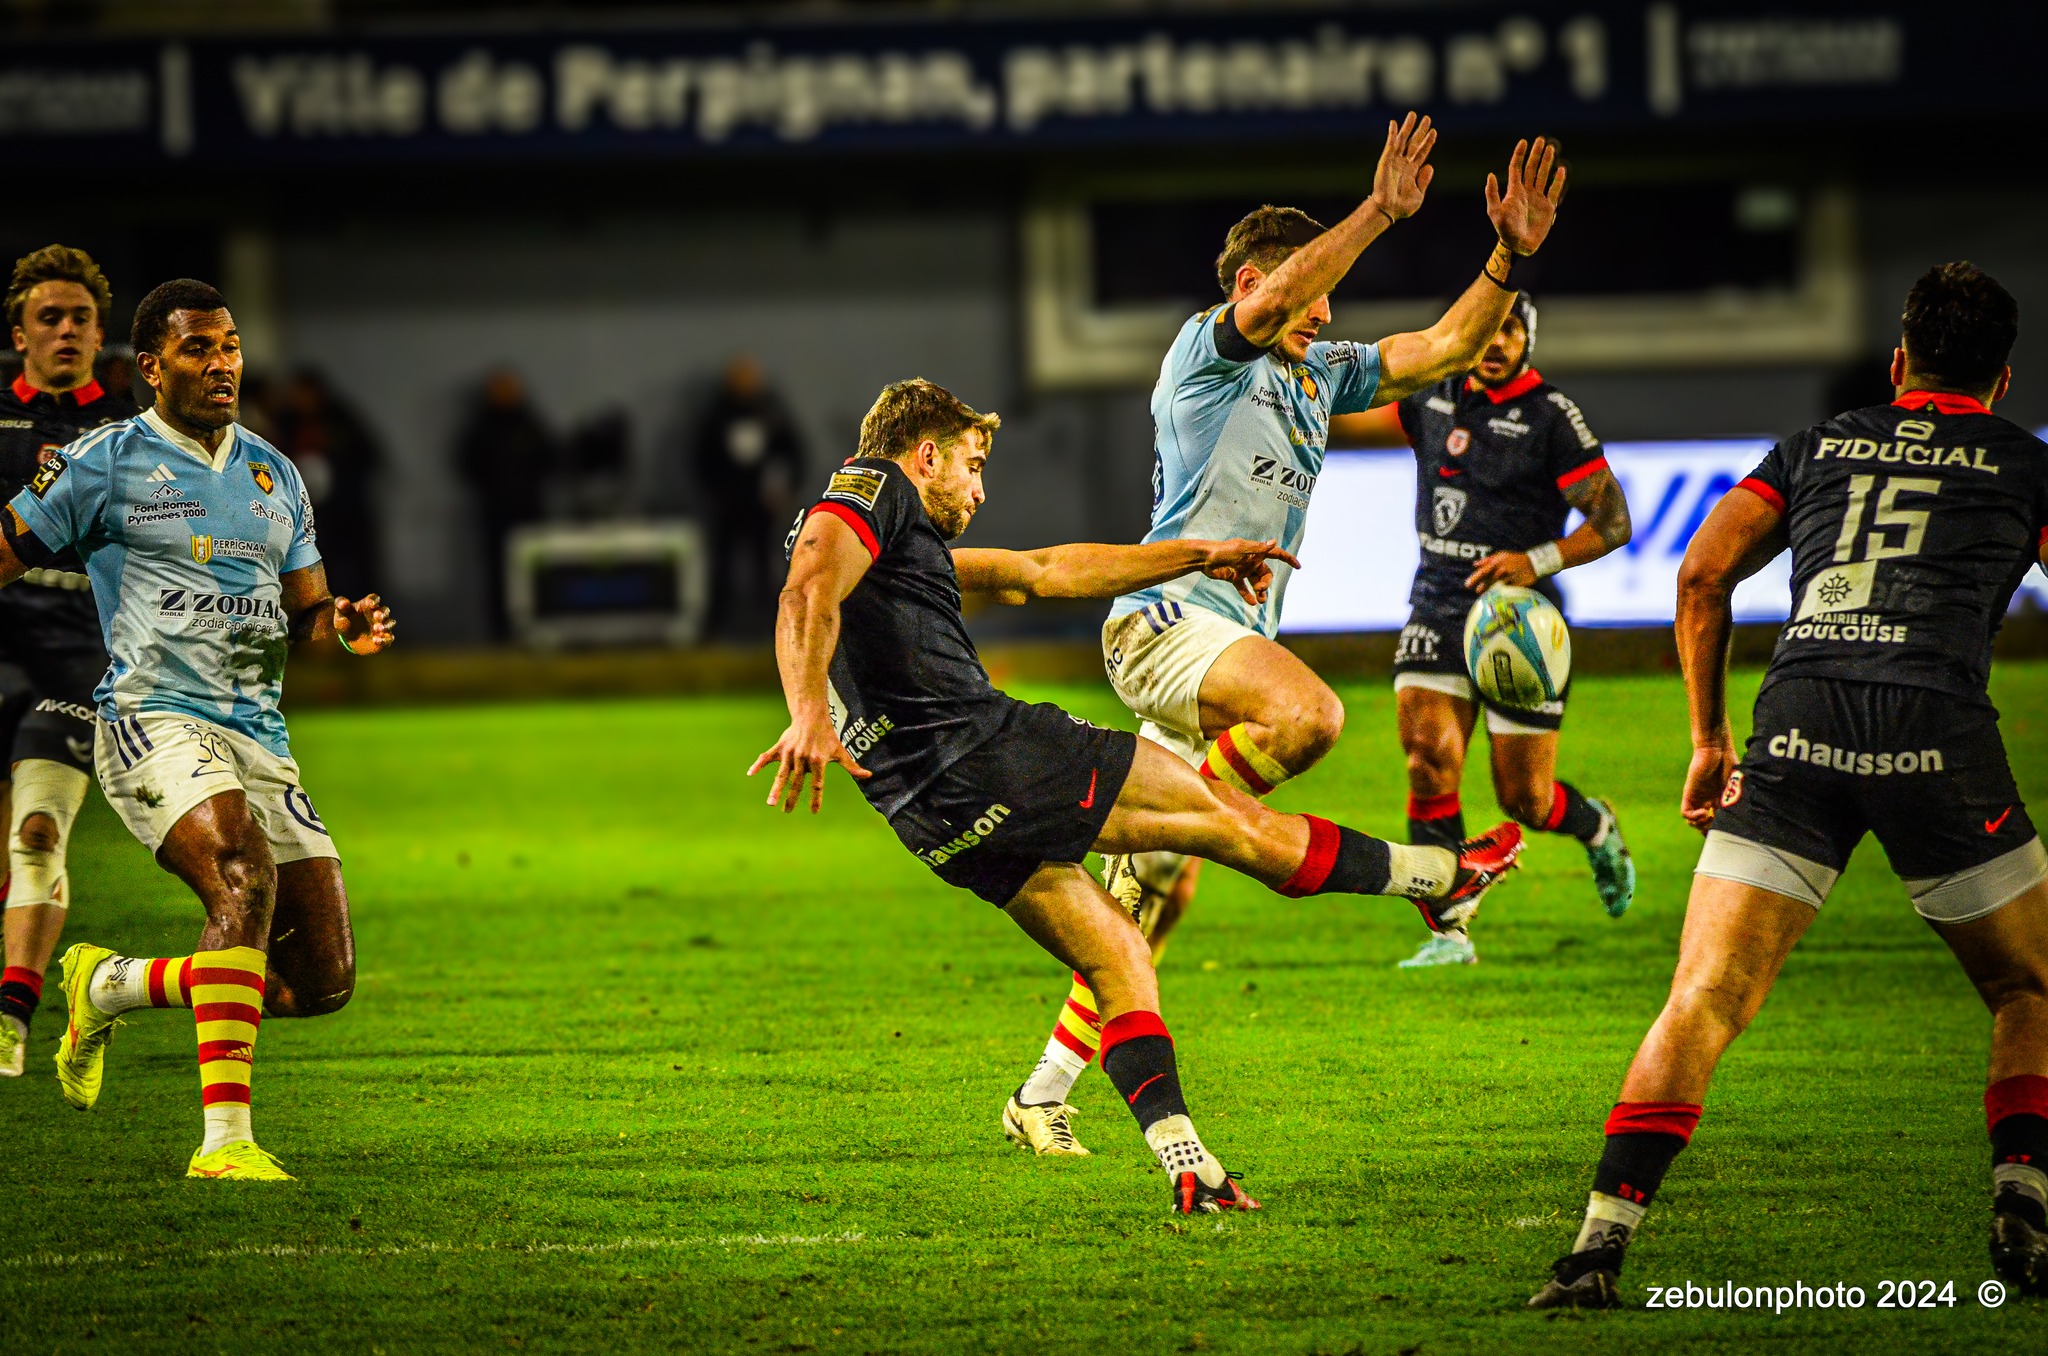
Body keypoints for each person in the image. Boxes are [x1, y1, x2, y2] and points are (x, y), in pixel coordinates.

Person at [753, 378, 1525, 1212]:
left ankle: (1188, 1165)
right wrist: (806, 714)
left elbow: (1041, 571)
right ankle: (1439, 878)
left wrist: (1196, 555)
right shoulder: (872, 487)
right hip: (993, 754)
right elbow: (805, 593)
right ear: (926, 455)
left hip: (930, 817)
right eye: (973, 466)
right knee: (1229, 822)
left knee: (1119, 955)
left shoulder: (888, 545)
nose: (979, 490)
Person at [1005, 117, 1569, 1154]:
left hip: (1216, 646)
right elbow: (1274, 304)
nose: (1325, 311)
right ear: (1251, 286)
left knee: (1153, 902)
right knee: (1307, 713)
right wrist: (1380, 212)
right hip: (1166, 621)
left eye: (1329, 296)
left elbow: (1444, 347)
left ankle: (1041, 1093)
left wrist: (1505, 256)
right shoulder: (1205, 354)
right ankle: (1207, 827)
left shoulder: (1320, 374)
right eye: (1310, 293)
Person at [1529, 263, 2048, 1307]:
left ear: (1898, 363)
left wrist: (1708, 739)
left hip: (1798, 722)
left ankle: (1595, 1250)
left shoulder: (1815, 446)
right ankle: (2023, 1210)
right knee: (2025, 988)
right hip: (1934, 730)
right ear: (2001, 380)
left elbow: (1700, 573)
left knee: (1704, 997)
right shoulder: (2023, 462)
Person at [0, 279, 395, 1180]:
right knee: (242, 875)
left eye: (231, 346)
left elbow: (306, 608)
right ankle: (225, 1143)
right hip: (154, 718)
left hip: (259, 735)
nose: (222, 364)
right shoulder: (102, 461)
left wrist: (341, 624)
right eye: (198, 349)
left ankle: (110, 983)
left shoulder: (272, 472)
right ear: (151, 366)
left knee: (321, 980)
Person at [1328, 294, 1636, 968]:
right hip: (1437, 600)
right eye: (1488, 328)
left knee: (1525, 799)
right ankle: (1449, 931)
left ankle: (1595, 825)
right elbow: (1357, 415)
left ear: (1529, 339)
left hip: (1517, 619)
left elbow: (1613, 521)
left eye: (1511, 330)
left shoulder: (1551, 416)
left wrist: (1536, 560)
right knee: (1427, 757)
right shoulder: (1431, 391)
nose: (1496, 342)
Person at [0, 245, 137, 1077]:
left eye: (80, 318)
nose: (66, 331)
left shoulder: (130, 435)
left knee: (39, 832)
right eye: (48, 318)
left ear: (98, 332)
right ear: (20, 336)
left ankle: (11, 1019)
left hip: (80, 653)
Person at [694, 355, 806, 639]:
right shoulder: (718, 415)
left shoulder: (771, 413)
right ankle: (715, 627)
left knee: (764, 566)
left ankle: (770, 626)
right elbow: (702, 457)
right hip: (728, 504)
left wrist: (787, 489)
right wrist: (716, 492)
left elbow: (793, 453)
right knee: (721, 566)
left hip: (760, 505)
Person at [456, 366, 554, 640]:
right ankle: (501, 631)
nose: (506, 394)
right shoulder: (482, 429)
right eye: (500, 389)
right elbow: (468, 464)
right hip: (496, 512)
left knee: (535, 571)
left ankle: (538, 627)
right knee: (499, 574)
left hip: (529, 509)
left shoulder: (530, 424)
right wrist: (493, 487)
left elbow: (550, 457)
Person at [276, 368, 383, 600]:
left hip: (344, 509)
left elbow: (369, 455)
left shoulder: (340, 419)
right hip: (303, 510)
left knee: (352, 568)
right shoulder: (285, 422)